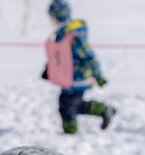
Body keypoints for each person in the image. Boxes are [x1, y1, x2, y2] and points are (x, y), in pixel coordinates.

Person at [44, 0, 114, 134]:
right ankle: (103, 110)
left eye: (52, 17)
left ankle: (70, 133)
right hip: (67, 78)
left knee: (68, 106)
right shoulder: (61, 33)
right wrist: (48, 70)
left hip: (79, 77)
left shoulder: (74, 36)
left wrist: (98, 76)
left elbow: (89, 56)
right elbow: (59, 56)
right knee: (70, 105)